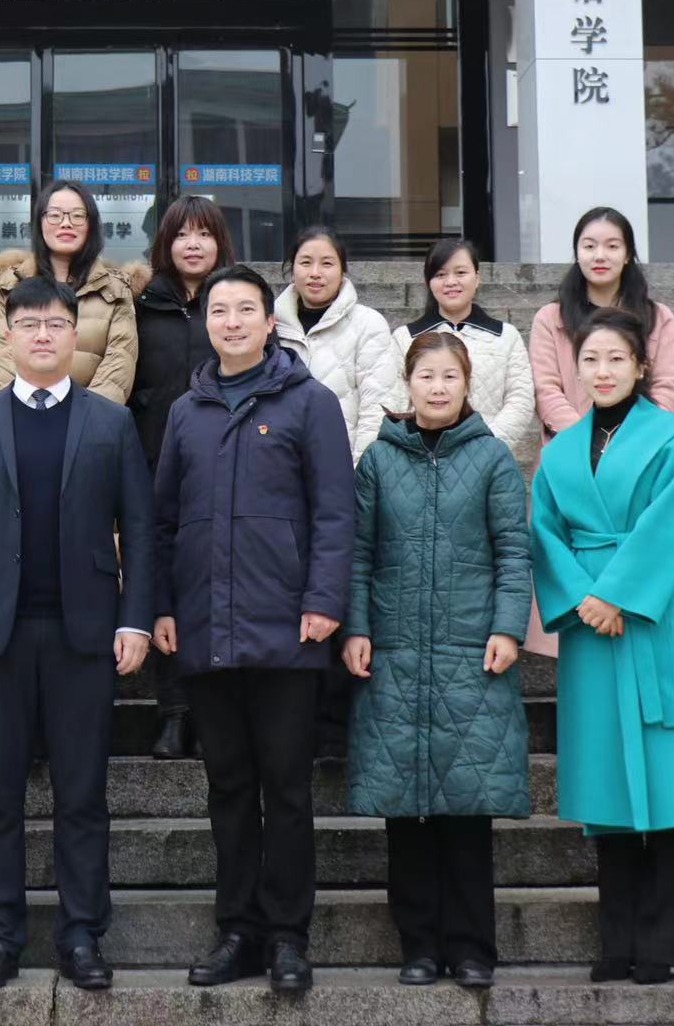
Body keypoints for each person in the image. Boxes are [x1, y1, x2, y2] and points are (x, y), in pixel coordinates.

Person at [0, 276, 154, 993]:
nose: (42, 336)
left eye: (55, 324)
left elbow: (140, 528)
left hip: (83, 635)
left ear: (73, 333)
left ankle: (82, 934)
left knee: (82, 795)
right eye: (28, 324)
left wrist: (134, 616)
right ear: (8, 336)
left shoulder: (109, 422)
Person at [152, 263, 354, 994]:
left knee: (288, 789)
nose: (231, 322)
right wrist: (163, 606)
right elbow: (163, 521)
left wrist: (324, 599)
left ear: (271, 323)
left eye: (245, 310)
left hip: (287, 631)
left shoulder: (310, 402)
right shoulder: (186, 411)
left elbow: (335, 511)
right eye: (219, 311)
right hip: (207, 629)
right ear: (206, 324)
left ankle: (289, 937)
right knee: (229, 788)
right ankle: (237, 930)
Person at [343, 331, 532, 989]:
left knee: (467, 807)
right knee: (406, 812)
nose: (438, 387)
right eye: (426, 375)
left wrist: (508, 628)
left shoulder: (491, 457)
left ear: (467, 382)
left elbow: (514, 552)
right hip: (394, 651)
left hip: (470, 653)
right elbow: (358, 554)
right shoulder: (378, 460)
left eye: (449, 376)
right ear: (408, 382)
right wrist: (356, 628)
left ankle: (472, 948)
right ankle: (418, 945)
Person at [530, 306, 674, 986]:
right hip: (589, 624)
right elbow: (544, 531)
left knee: (662, 777)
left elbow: (669, 525)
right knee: (607, 776)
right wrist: (584, 598)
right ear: (575, 369)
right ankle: (616, 940)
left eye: (615, 359)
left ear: (640, 366)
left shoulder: (671, 439)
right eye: (590, 360)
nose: (601, 371)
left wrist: (617, 595)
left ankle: (659, 942)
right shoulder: (560, 450)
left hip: (650, 618)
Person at [526, 205, 674, 656]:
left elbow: (665, 386)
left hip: (641, 463)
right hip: (572, 464)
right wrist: (587, 442)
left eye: (612, 246)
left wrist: (632, 443)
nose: (600, 255)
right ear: (576, 252)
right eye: (589, 245)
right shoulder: (551, 318)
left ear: (629, 253)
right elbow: (546, 388)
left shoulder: (658, 318)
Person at [127, 196, 234, 760]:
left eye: (204, 233)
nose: (193, 244)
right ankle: (173, 711)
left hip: (227, 465)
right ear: (165, 244)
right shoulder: (141, 306)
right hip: (153, 461)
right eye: (182, 234)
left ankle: (212, 708)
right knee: (162, 582)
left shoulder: (235, 303)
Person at [0, 179, 141, 404]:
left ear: (91, 225)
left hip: (92, 418)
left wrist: (86, 416)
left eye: (77, 216)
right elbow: (1, 356)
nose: (66, 223)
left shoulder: (115, 291)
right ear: (39, 223)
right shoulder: (8, 287)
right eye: (55, 215)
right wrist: (26, 408)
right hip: (21, 415)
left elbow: (120, 362)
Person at [384, 238, 537, 458]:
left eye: (461, 272)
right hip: (422, 458)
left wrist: (485, 447)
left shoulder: (506, 336)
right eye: (440, 274)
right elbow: (396, 399)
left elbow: (520, 400)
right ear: (428, 282)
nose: (451, 282)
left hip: (487, 459)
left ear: (477, 278)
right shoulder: (405, 337)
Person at [273, 225, 400, 463]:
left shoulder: (368, 324)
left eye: (327, 263)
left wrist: (360, 470)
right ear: (292, 269)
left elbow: (377, 408)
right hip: (280, 467)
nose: (315, 273)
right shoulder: (269, 325)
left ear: (343, 271)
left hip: (342, 466)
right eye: (306, 262)